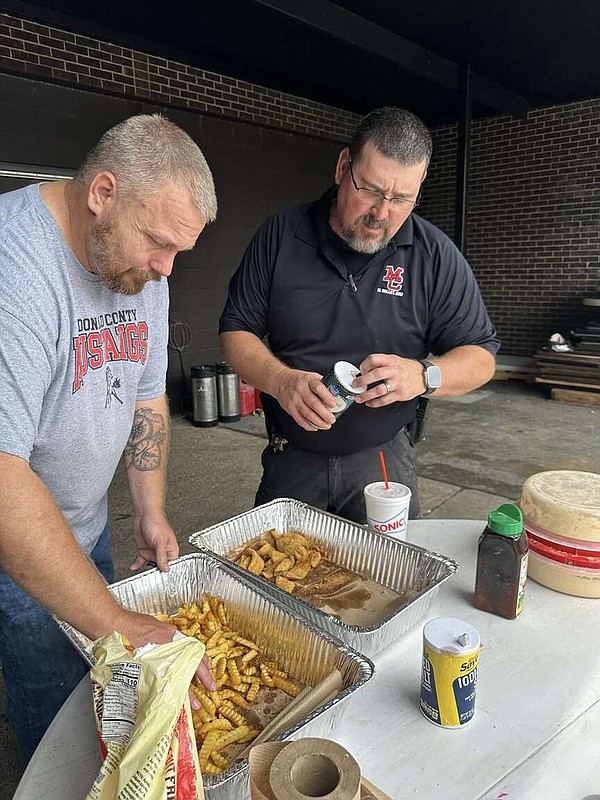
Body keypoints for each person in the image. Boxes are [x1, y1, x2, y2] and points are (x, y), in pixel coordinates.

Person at [0, 114, 218, 763]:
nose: (166, 268)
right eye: (158, 243)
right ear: (102, 193)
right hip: (17, 542)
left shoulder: (145, 268)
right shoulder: (17, 273)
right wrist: (121, 623)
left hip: (86, 527)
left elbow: (147, 390)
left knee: (100, 692)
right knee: (55, 718)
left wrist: (149, 510)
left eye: (180, 252)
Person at [219, 107, 499, 523]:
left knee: (394, 582)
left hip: (385, 459)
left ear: (419, 188)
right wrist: (281, 381)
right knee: (276, 579)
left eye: (401, 198)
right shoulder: (282, 234)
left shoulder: (433, 255)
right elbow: (235, 330)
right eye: (369, 190)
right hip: (293, 457)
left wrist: (423, 376)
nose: (381, 213)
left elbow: (481, 358)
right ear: (343, 167)